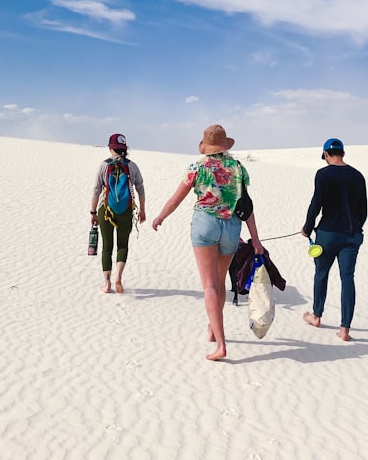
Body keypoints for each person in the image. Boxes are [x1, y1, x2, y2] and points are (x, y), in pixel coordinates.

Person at [152, 124, 264, 361]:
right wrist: (255, 239)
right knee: (220, 282)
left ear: (206, 145)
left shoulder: (197, 167)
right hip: (232, 228)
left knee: (209, 286)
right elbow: (247, 205)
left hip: (205, 225)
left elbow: (176, 199)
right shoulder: (238, 168)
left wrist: (161, 216)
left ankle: (221, 344)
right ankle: (213, 330)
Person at [301, 138, 367, 342]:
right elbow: (363, 210)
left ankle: (316, 315)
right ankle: (345, 329)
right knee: (348, 278)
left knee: (321, 273)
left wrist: (307, 228)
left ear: (326, 155)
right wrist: (356, 228)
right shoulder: (358, 176)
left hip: (328, 233)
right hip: (351, 234)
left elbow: (316, 203)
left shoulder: (323, 174)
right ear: (343, 154)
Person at [90, 133, 146, 294]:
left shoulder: (104, 165)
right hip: (126, 210)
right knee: (123, 245)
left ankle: (106, 284)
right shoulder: (132, 166)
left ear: (110, 148)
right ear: (124, 149)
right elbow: (140, 188)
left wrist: (93, 212)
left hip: (105, 209)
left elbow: (96, 189)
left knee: (107, 246)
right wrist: (142, 209)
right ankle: (118, 278)